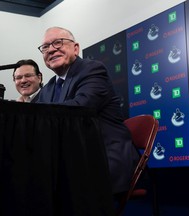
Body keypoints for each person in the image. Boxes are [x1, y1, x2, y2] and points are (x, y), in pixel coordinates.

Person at [36, 26, 138, 197]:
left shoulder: (92, 70)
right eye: (45, 47)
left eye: (58, 42)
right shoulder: (47, 89)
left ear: (75, 48)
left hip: (102, 156)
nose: (51, 49)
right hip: (70, 157)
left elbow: (79, 109)